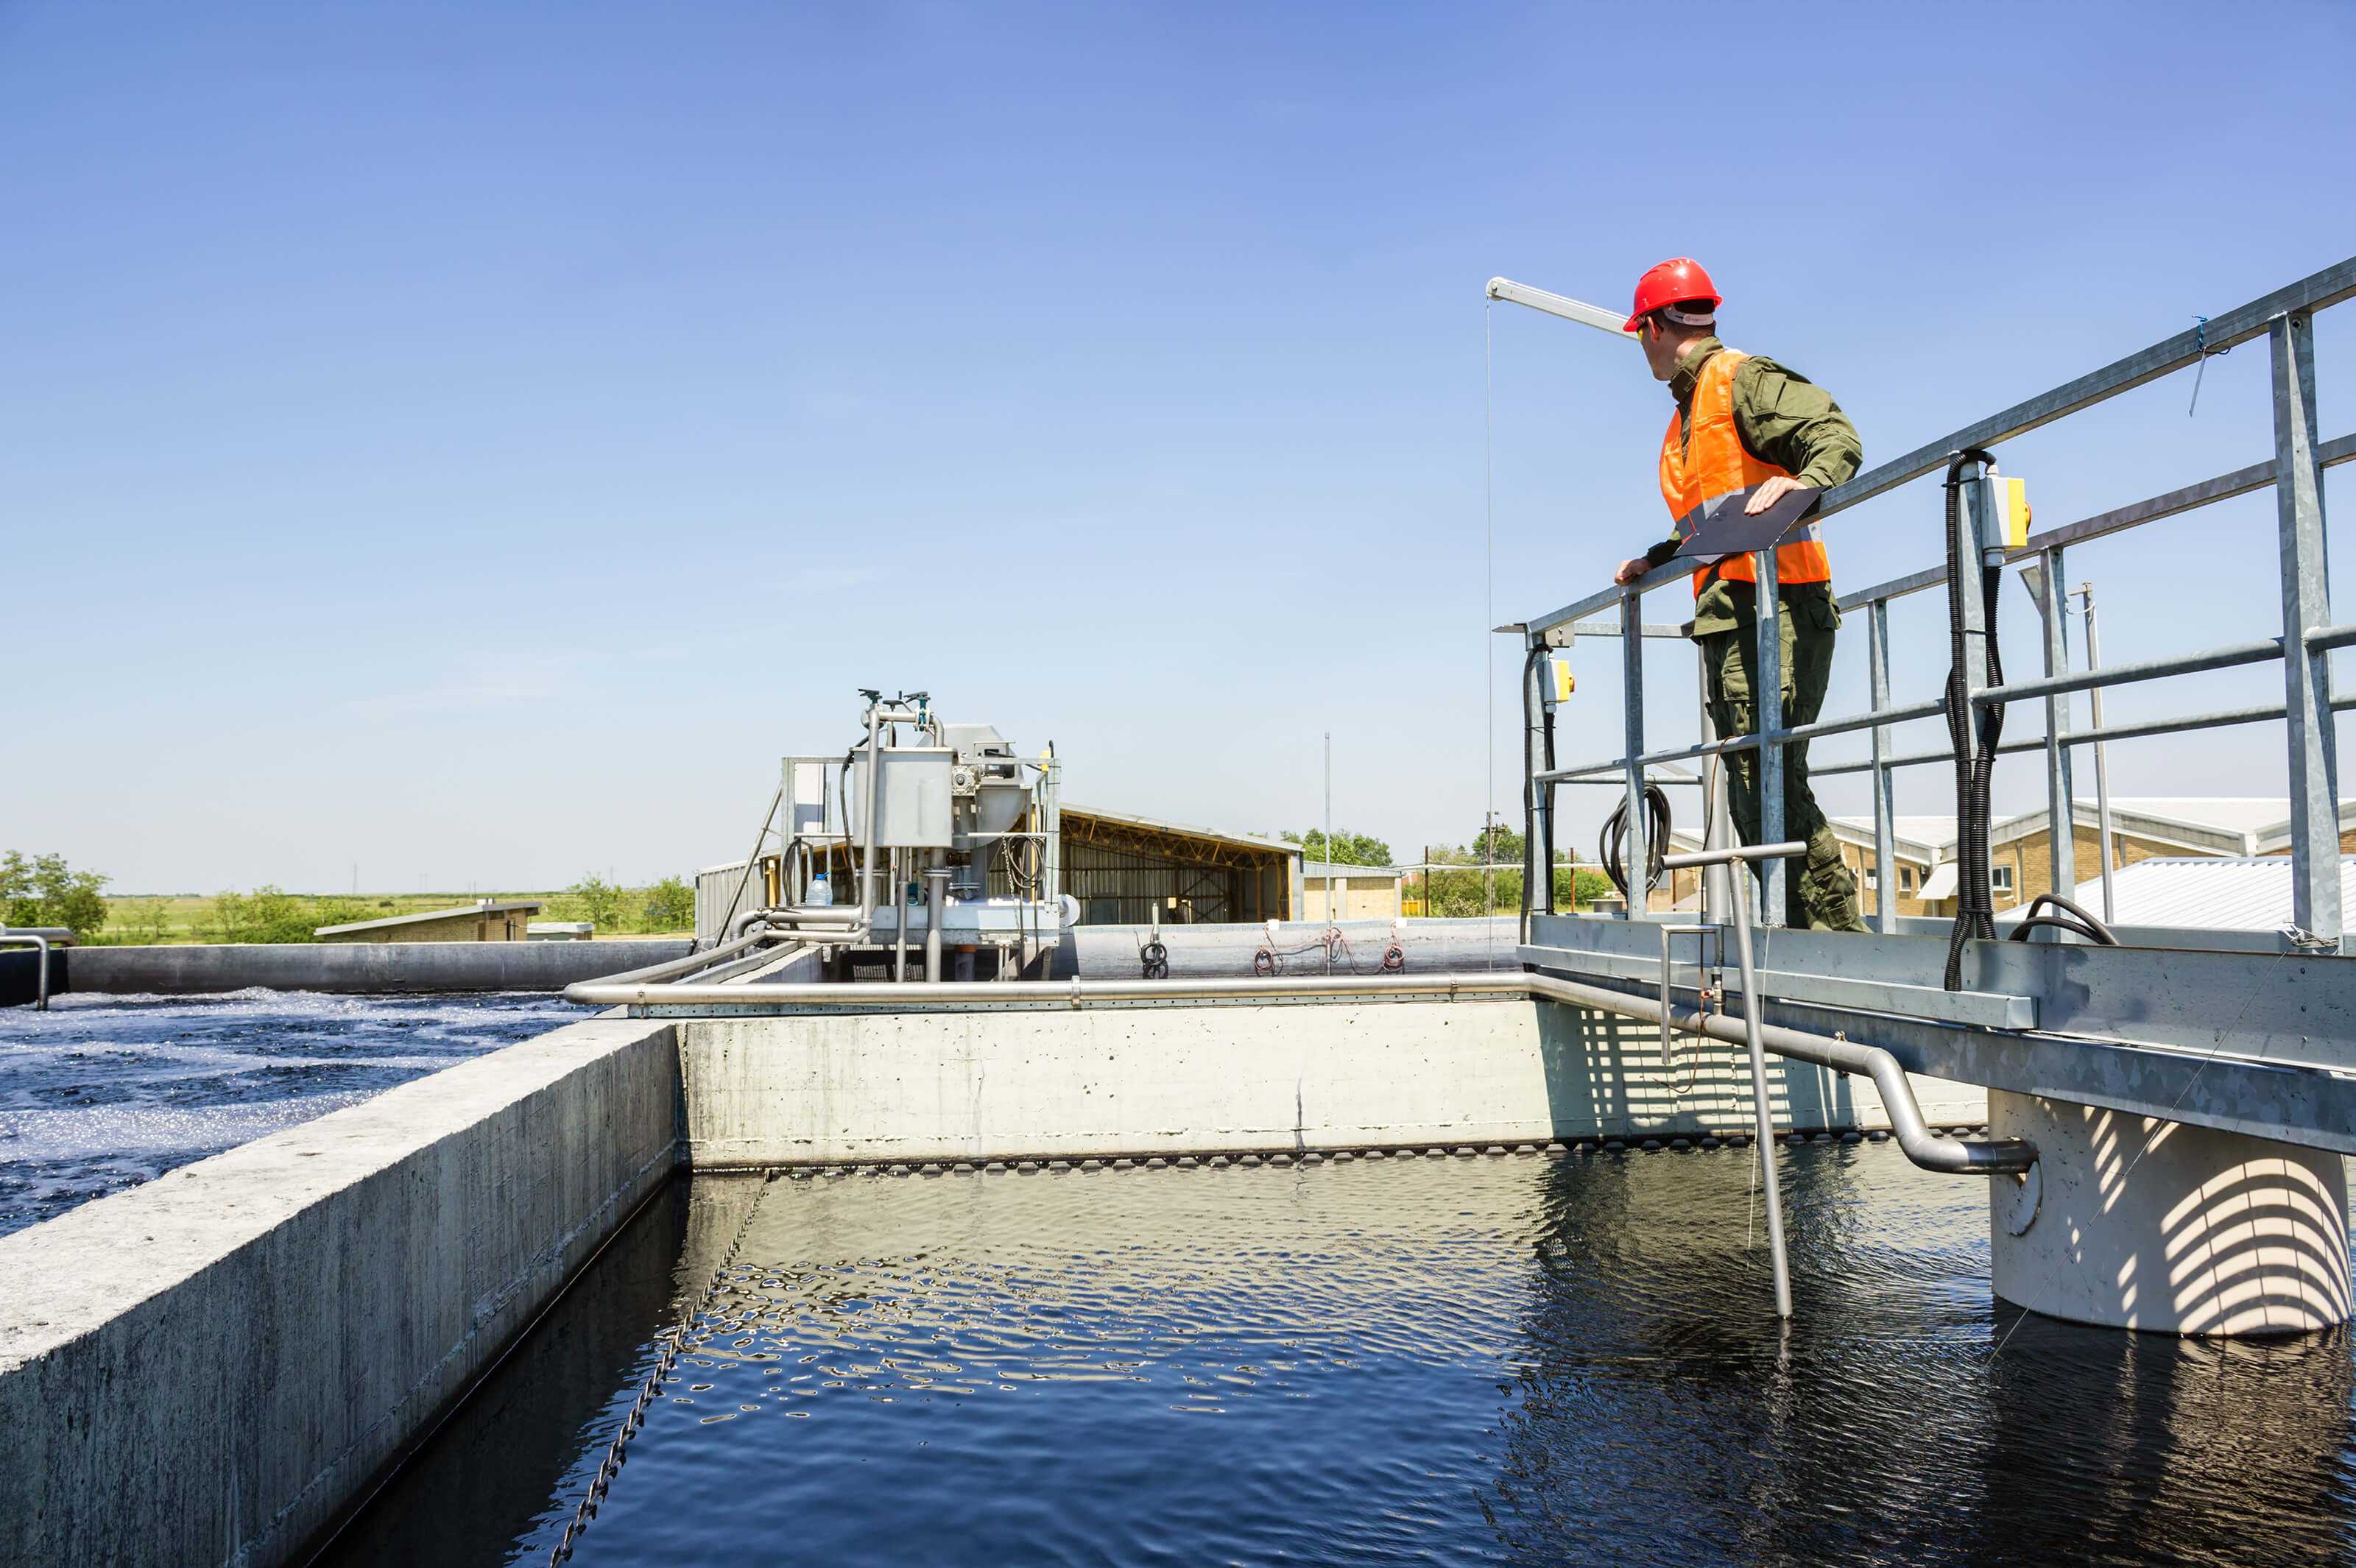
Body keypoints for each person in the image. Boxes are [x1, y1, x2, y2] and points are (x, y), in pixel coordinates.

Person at [1610, 257, 1867, 932]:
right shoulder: (1688, 417)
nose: (1642, 348)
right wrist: (1658, 559)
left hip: (1776, 606)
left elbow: (1836, 436)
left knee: (1767, 779)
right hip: (1733, 611)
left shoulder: (1739, 379)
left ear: (1656, 326)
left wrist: (1805, 480)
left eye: (1640, 334)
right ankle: (1805, 932)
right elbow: (1708, 515)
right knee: (1756, 786)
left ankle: (1837, 937)